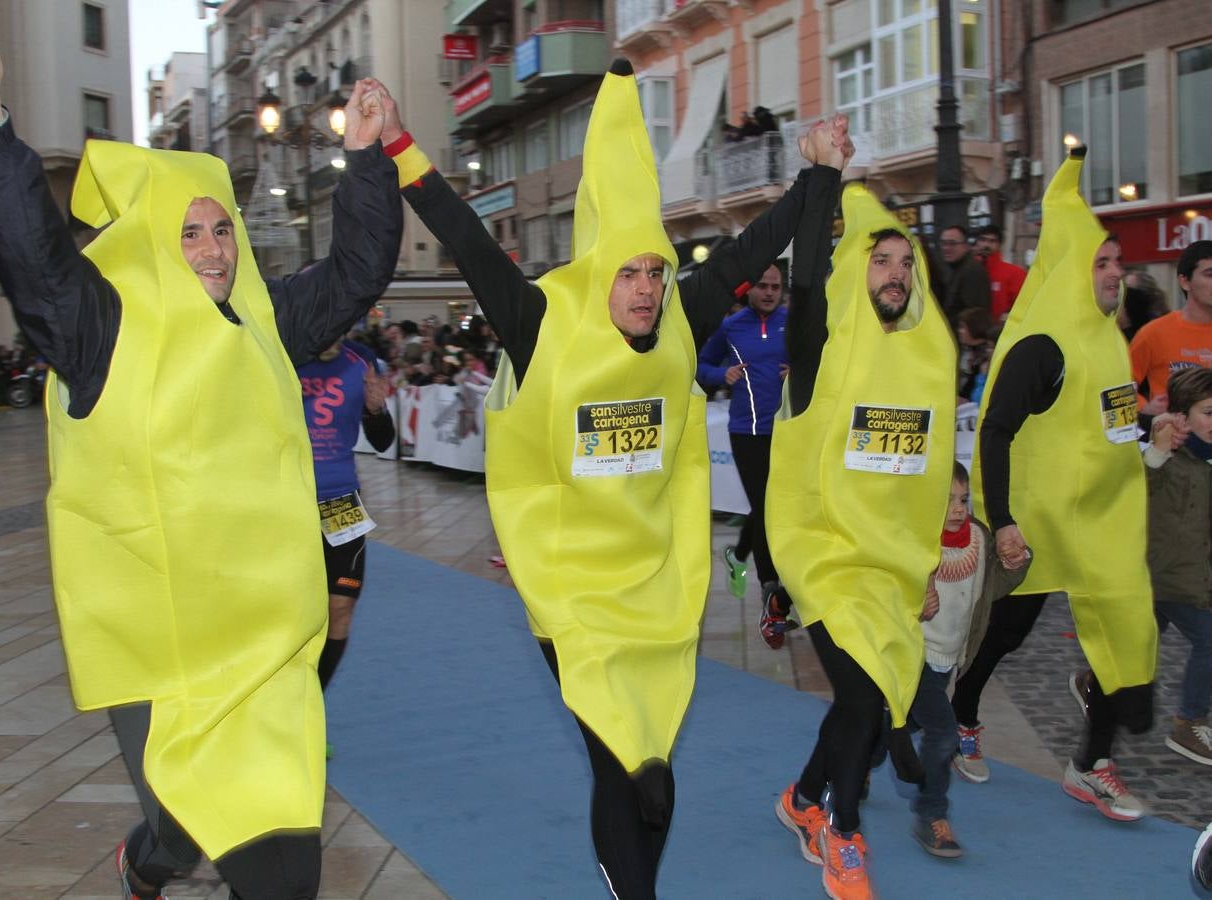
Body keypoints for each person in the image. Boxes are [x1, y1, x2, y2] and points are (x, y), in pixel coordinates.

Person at [374, 61, 849, 898]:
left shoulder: (680, 314)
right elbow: (469, 240)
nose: (644, 289)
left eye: (655, 272)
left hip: (655, 585)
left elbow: (751, 245)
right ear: (603, 272)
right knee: (622, 769)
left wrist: (817, 172)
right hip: (572, 595)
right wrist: (399, 145)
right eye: (629, 273)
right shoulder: (542, 322)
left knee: (657, 789)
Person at [0, 12, 401, 898]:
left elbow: (357, 272)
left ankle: (160, 852)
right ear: (153, 239)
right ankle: (151, 855)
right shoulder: (100, 329)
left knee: (280, 867)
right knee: (184, 818)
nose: (211, 248)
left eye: (222, 230)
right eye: (189, 232)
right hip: (165, 653)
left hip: (268, 647)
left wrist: (366, 157)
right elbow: (35, 257)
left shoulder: (269, 321)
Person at [949, 146, 1157, 823]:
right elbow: (996, 432)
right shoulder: (1042, 345)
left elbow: (1110, 427)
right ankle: (963, 708)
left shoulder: (1109, 341)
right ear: (1069, 271)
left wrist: (1157, 434)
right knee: (1006, 634)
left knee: (1125, 636)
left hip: (1104, 528)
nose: (1115, 275)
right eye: (1101, 264)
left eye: (1116, 263)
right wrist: (1003, 519)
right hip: (1036, 528)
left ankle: (1090, 763)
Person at [767, 186, 956, 900]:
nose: (896, 275)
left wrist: (924, 563)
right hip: (821, 553)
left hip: (887, 567)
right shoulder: (820, 348)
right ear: (855, 267)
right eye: (880, 261)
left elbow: (923, 477)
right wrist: (823, 177)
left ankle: (802, 796)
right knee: (865, 694)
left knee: (862, 701)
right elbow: (809, 278)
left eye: (906, 262)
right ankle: (842, 831)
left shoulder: (922, 364)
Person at [904, 461, 1029, 859]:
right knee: (942, 733)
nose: (958, 508)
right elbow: (886, 587)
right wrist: (913, 599)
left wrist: (1015, 563)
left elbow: (988, 588)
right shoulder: (914, 539)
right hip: (914, 655)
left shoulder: (978, 535)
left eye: (963, 499)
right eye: (947, 500)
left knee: (900, 724)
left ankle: (854, 767)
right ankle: (932, 815)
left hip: (949, 658)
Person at [297, 340, 395, 702]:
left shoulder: (361, 359)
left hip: (341, 502)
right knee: (292, 615)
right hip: (288, 501)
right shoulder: (287, 348)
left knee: (340, 608)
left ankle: (312, 705)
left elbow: (384, 442)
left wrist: (377, 408)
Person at [1128, 367, 1212, 765]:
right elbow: (1135, 485)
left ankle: (1095, 681)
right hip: (1165, 577)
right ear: (1181, 416)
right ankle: (1188, 722)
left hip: (1191, 577)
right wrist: (1158, 448)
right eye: (1208, 412)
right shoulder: (1163, 456)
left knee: (1140, 648)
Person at [696, 264, 788, 610]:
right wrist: (723, 373)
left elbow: (817, 364)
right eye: (762, 285)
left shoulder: (791, 324)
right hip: (746, 430)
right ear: (749, 289)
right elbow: (701, 365)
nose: (768, 292)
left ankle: (739, 555)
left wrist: (798, 371)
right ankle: (769, 584)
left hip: (784, 429)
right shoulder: (731, 328)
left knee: (770, 503)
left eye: (775, 286)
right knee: (766, 505)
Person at [1129, 241, 1212, 416]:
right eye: (1209, 274)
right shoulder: (1153, 333)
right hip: (1173, 438)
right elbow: (1120, 385)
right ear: (1184, 281)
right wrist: (1144, 408)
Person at [972, 223, 1026, 323]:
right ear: (977, 242)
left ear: (999, 245)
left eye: (992, 241)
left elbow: (1023, 305)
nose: (986, 245)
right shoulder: (970, 271)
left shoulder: (1015, 273)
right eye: (983, 240)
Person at [936, 224, 991, 321]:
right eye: (944, 243)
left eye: (952, 243)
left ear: (966, 246)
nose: (946, 248)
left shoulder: (972, 271)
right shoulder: (955, 269)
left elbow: (975, 315)